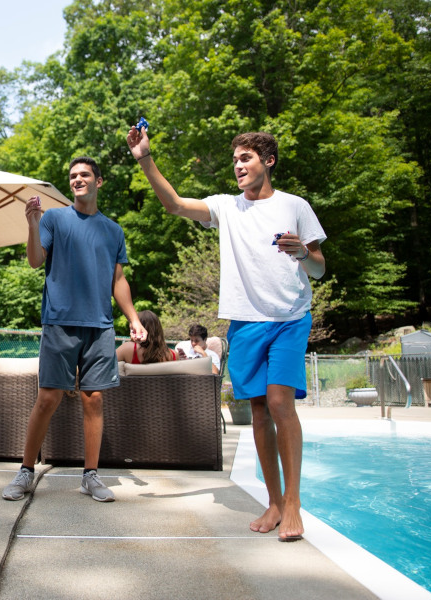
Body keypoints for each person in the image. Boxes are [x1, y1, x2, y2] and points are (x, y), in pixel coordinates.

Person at [127, 127, 326, 541]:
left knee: (279, 402)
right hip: (245, 321)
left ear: (267, 162)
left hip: (290, 317)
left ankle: (293, 503)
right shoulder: (227, 207)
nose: (238, 166)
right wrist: (145, 159)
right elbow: (176, 205)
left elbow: (321, 268)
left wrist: (303, 253)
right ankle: (273, 501)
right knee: (257, 411)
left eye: (246, 158)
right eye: (235, 160)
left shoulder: (296, 206)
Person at [2, 157, 146, 504]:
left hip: (100, 326)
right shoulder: (53, 218)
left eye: (84, 175)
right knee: (48, 398)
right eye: (72, 176)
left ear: (99, 181)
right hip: (60, 323)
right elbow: (36, 261)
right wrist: (33, 224)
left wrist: (134, 317)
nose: (77, 180)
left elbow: (118, 280)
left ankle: (90, 476)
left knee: (94, 399)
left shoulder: (113, 230)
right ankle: (25, 471)